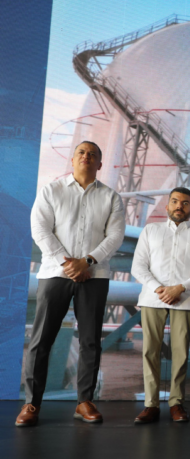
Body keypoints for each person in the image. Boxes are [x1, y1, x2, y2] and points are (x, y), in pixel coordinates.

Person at [18, 141, 125, 427]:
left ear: (100, 163)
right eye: (81, 152)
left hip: (94, 276)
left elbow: (115, 236)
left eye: (93, 154)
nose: (86, 156)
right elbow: (40, 229)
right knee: (41, 340)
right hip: (55, 274)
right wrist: (68, 264)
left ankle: (84, 402)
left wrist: (86, 262)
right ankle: (31, 403)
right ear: (73, 159)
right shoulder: (51, 190)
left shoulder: (112, 197)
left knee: (90, 340)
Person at [130, 187, 190, 423]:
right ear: (167, 206)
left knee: (181, 353)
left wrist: (180, 288)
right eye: (175, 201)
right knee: (150, 351)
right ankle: (151, 405)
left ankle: (176, 403)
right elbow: (138, 267)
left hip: (185, 299)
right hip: (152, 298)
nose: (179, 206)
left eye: (185, 203)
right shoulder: (150, 231)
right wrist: (160, 289)